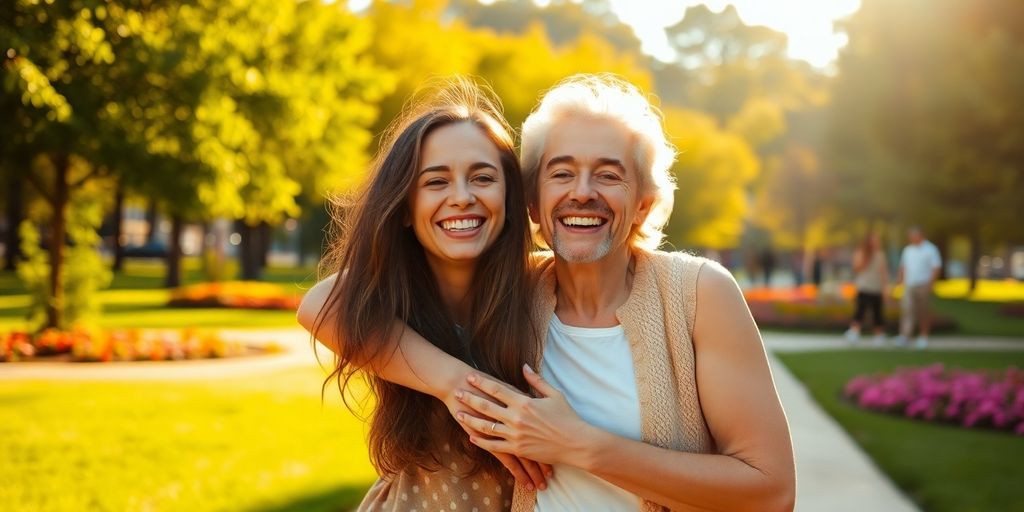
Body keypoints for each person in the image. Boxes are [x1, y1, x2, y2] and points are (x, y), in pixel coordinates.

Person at [452, 74, 795, 511]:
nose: (582, 192)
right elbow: (340, 304)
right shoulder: (502, 292)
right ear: (533, 203)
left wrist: (581, 446)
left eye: (608, 175)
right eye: (562, 173)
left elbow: (771, 492)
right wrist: (448, 385)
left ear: (643, 205)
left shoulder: (699, 294)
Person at [297, 78, 546, 511]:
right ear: (405, 208)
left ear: (510, 196)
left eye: (482, 177)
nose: (462, 198)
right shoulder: (395, 296)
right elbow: (316, 305)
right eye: (436, 182)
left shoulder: (545, 283)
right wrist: (456, 386)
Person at [894, 226, 942, 349]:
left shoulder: (930, 249)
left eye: (914, 236)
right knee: (907, 310)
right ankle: (905, 335)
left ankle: (923, 336)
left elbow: (936, 267)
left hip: (923, 284)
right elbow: (903, 266)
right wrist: (899, 280)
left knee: (923, 311)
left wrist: (931, 284)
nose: (911, 238)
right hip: (909, 284)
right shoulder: (908, 250)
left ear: (920, 235)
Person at [845, 232, 890, 345]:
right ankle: (854, 333)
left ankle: (879, 335)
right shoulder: (861, 253)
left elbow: (883, 273)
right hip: (864, 286)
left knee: (877, 312)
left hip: (876, 287)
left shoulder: (880, 255)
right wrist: (867, 258)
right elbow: (856, 268)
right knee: (860, 311)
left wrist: (885, 288)